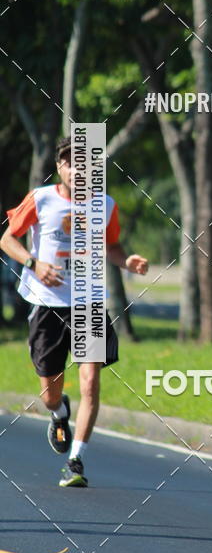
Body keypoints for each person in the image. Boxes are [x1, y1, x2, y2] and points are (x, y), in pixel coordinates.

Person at [0, 137, 149, 487]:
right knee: (50, 392)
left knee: (91, 382)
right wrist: (33, 263)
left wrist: (126, 261)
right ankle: (59, 413)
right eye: (69, 162)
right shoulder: (41, 198)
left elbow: (112, 246)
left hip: (89, 302)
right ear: (60, 168)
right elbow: (7, 239)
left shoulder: (105, 205)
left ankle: (76, 460)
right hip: (46, 304)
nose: (77, 168)